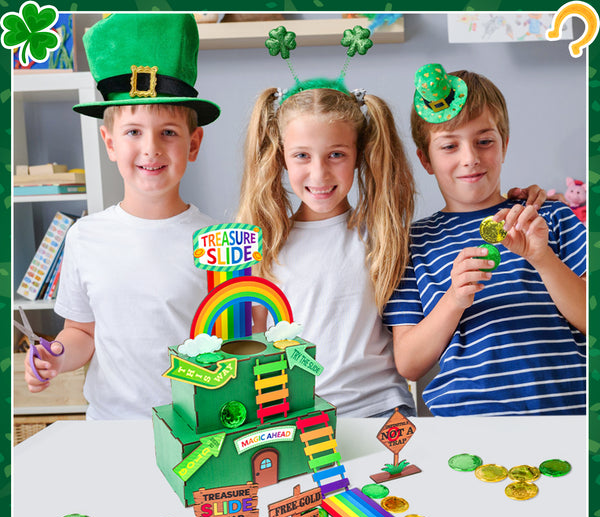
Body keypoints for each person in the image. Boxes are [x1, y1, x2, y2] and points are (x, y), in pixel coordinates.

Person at [237, 42, 546, 418]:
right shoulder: (263, 245)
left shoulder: (387, 237)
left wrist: (529, 201)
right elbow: (253, 349)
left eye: (336, 154)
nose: (319, 173)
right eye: (302, 155)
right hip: (295, 418)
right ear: (281, 156)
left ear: (358, 155)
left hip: (384, 412)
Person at [23, 13, 221, 419]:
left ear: (193, 143)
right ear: (110, 142)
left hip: (195, 425)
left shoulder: (216, 241)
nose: (151, 148)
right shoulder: (84, 237)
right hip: (111, 425)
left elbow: (233, 334)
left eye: (168, 132)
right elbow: (82, 332)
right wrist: (56, 355)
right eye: (133, 132)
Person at [383, 64, 586, 416]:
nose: (471, 158)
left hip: (570, 414)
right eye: (450, 146)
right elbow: (409, 363)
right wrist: (454, 299)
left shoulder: (550, 217)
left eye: (484, 141)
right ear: (426, 159)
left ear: (504, 145)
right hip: (470, 423)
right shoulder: (412, 244)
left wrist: (543, 260)